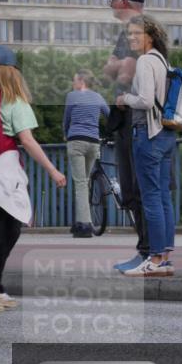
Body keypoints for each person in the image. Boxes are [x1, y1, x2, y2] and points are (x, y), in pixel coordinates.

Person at [0, 45, 67, 311]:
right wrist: (52, 169)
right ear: (12, 72)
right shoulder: (14, 101)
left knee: (3, 231)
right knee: (4, 233)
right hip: (3, 170)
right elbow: (27, 140)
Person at [115, 15, 176, 278]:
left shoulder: (145, 61)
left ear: (149, 36)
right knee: (163, 198)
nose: (131, 39)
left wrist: (124, 98)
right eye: (129, 35)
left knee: (150, 197)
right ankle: (163, 258)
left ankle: (153, 258)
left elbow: (145, 100)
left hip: (147, 135)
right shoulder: (163, 61)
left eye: (136, 34)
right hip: (166, 135)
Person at [102, 0, 151, 270]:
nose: (109, 5)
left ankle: (148, 252)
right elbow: (112, 68)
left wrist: (116, 68)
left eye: (111, 0)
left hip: (133, 120)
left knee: (137, 190)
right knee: (137, 191)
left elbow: (121, 72)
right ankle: (147, 251)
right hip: (131, 120)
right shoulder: (138, 28)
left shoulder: (135, 29)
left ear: (122, 1)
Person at [64, 70, 110, 238]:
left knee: (81, 183)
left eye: (74, 80)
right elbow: (109, 116)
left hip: (76, 141)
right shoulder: (98, 97)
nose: (72, 83)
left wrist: (65, 133)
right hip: (93, 142)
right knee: (86, 182)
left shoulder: (72, 96)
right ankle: (81, 221)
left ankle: (85, 226)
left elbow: (66, 119)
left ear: (81, 81)